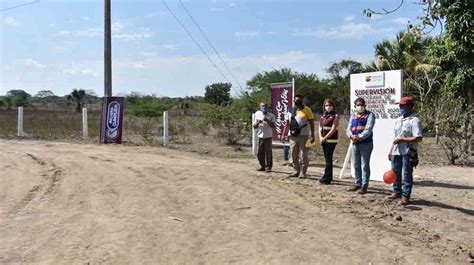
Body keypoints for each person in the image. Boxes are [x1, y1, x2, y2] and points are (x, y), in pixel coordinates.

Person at [387, 97, 422, 205]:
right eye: (400, 105)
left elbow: (418, 137)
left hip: (408, 151)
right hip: (396, 151)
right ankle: (396, 191)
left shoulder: (414, 120)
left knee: (406, 173)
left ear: (410, 107)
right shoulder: (398, 120)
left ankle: (405, 196)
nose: (400, 108)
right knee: (395, 171)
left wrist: (403, 139)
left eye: (403, 106)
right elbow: (395, 137)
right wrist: (390, 151)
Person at [346, 97, 376, 194]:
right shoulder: (353, 116)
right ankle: (357, 183)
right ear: (355, 106)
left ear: (365, 105)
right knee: (356, 164)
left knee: (364, 165)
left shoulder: (370, 115)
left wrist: (358, 137)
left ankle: (364, 186)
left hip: (366, 144)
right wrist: (351, 136)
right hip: (355, 144)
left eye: (362, 105)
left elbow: (368, 129)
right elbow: (348, 128)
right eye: (358, 105)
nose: (360, 107)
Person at [282, 94, 315, 178]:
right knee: (293, 154)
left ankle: (303, 172)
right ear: (293, 101)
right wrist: (284, 134)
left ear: (302, 100)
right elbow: (287, 123)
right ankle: (296, 170)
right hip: (292, 136)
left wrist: (312, 134)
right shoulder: (290, 110)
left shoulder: (307, 110)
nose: (298, 101)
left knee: (304, 154)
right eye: (296, 100)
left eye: (299, 100)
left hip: (304, 135)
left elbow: (311, 122)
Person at [318, 99, 339, 185]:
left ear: (333, 106)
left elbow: (334, 128)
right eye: (326, 105)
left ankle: (327, 178)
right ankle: (328, 175)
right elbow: (320, 127)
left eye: (330, 105)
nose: (328, 107)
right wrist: (320, 137)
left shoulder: (335, 115)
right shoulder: (323, 116)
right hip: (323, 140)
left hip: (331, 140)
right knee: (326, 158)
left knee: (328, 158)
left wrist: (325, 137)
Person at [253, 102, 276, 172]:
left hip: (268, 137)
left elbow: (274, 126)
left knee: (268, 153)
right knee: (260, 153)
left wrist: (268, 121)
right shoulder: (257, 114)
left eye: (265, 106)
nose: (264, 108)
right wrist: (258, 122)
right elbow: (254, 126)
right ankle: (262, 166)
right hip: (260, 136)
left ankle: (268, 167)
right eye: (262, 106)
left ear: (268, 107)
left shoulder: (271, 115)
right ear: (260, 107)